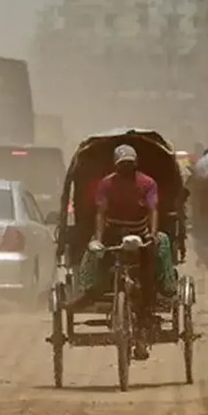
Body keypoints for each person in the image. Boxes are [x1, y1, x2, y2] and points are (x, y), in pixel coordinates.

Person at [66, 144, 159, 361]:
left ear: (135, 165)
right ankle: (89, 291)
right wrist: (98, 238)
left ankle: (144, 327)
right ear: (116, 166)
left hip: (139, 233)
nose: (126, 169)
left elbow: (153, 209)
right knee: (98, 262)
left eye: (129, 165)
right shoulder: (106, 184)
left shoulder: (147, 184)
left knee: (147, 277)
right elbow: (101, 212)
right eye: (122, 165)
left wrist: (153, 235)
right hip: (113, 233)